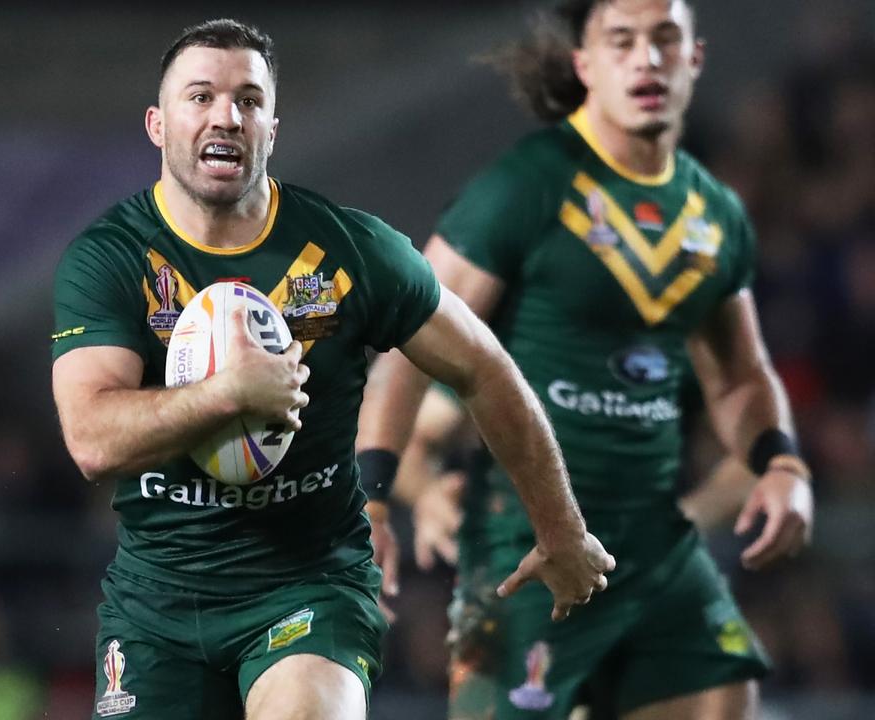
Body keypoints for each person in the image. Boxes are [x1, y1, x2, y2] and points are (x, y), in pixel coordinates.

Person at [51, 18, 613, 720]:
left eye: (249, 101)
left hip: (306, 588)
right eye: (201, 97)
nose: (226, 115)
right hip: (156, 603)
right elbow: (92, 439)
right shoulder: (110, 259)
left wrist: (560, 529)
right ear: (158, 125)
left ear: (272, 130)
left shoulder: (351, 249)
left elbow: (485, 368)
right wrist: (229, 393)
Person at [355, 1, 814, 718]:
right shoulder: (524, 187)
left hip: (657, 547)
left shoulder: (714, 213)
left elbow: (742, 376)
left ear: (694, 58)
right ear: (584, 64)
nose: (647, 59)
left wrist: (783, 464)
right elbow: (408, 343)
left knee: (728, 698)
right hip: (528, 548)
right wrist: (378, 496)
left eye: (666, 40)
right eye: (622, 41)